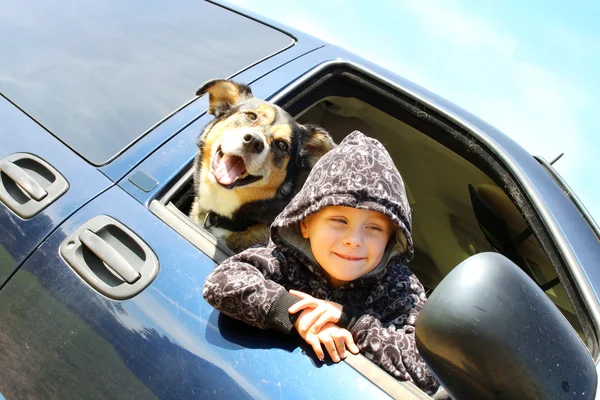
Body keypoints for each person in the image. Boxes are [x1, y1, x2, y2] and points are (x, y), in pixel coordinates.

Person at [203, 131, 440, 394]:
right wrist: (298, 315)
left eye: (374, 228)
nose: (354, 240)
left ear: (390, 240)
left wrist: (350, 321)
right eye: (340, 220)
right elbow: (221, 282)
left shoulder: (399, 287)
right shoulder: (285, 258)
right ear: (305, 222)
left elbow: (429, 370)